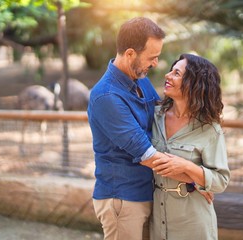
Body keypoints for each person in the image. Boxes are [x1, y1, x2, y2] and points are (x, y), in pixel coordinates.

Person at [87, 17, 166, 240]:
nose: (156, 63)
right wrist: (197, 179)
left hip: (145, 192)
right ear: (130, 53)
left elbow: (162, 117)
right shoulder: (106, 96)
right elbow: (146, 154)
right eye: (152, 57)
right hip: (122, 199)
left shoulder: (141, 79)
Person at [149, 53, 231, 240]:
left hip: (193, 221)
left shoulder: (209, 129)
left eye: (176, 73)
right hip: (157, 216)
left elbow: (220, 180)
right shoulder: (154, 116)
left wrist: (187, 166)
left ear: (194, 83)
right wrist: (193, 179)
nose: (167, 76)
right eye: (171, 71)